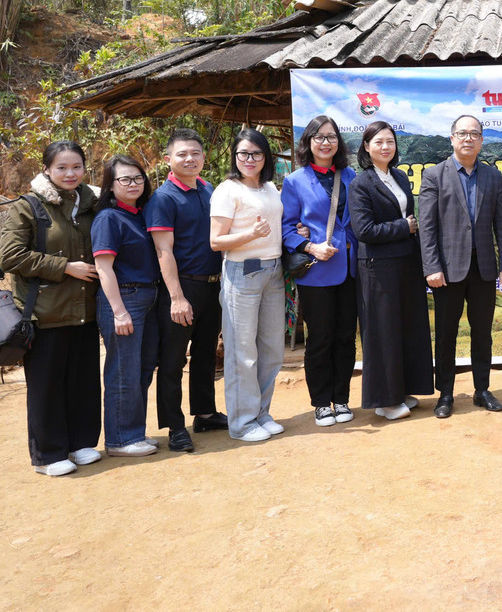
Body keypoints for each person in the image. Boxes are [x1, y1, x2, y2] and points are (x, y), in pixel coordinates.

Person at [0, 141, 101, 477]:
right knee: (47, 386)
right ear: (47, 169)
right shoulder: (29, 206)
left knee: (83, 380)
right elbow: (10, 256)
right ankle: (48, 453)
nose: (70, 174)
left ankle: (82, 442)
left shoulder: (90, 203)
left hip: (84, 310)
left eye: (76, 167)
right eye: (62, 168)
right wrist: (65, 267)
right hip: (44, 313)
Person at [419, 114, 502, 418]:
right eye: (462, 133)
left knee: (481, 331)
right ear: (452, 138)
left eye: (475, 134)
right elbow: (428, 227)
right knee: (446, 333)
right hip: (447, 270)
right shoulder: (434, 175)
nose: (468, 139)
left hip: (484, 267)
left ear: (482, 140)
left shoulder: (492, 176)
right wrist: (431, 267)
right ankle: (445, 394)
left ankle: (482, 389)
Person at [147, 128, 225, 453]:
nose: (189, 159)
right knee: (173, 360)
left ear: (204, 158)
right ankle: (175, 426)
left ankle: (205, 413)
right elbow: (164, 251)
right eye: (182, 154)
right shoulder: (163, 198)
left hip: (213, 285)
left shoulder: (209, 190)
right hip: (182, 288)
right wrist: (177, 297)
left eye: (195, 153)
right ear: (168, 159)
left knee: (206, 354)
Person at [350, 121, 434, 421]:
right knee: (382, 332)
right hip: (377, 267)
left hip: (405, 262)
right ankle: (384, 401)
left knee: (406, 328)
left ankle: (403, 389)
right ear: (366, 147)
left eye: (390, 141)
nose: (385, 147)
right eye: (378, 142)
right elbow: (363, 229)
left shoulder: (398, 176)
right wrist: (404, 227)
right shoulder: (361, 183)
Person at [210, 129, 287, 443]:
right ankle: (241, 423)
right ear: (235, 157)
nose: (249, 159)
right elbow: (216, 241)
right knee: (242, 351)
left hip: (273, 270)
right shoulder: (227, 190)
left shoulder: (269, 187)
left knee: (271, 349)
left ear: (265, 156)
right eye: (243, 154)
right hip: (242, 273)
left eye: (256, 153)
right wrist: (250, 236)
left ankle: (261, 414)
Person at [282, 116, 358, 428]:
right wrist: (311, 247)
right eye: (318, 137)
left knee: (345, 337)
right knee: (320, 338)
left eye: (331, 137)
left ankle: (342, 398)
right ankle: (321, 403)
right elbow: (286, 228)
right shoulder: (295, 181)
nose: (325, 142)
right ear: (308, 142)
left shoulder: (351, 175)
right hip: (317, 271)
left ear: (338, 142)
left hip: (351, 269)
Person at [91, 156, 161, 458]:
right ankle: (120, 439)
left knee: (142, 369)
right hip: (124, 299)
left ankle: (134, 431)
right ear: (111, 185)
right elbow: (103, 268)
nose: (133, 184)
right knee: (123, 371)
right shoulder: (108, 218)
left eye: (138, 178)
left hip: (148, 297)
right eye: (124, 180)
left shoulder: (141, 214)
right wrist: (119, 311)